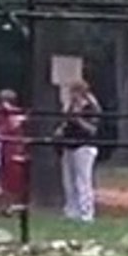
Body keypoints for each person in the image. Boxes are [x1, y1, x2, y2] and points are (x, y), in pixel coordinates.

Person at [54, 80, 102, 222]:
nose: (72, 95)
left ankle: (86, 213)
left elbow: (92, 129)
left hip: (84, 146)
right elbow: (65, 123)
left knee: (83, 180)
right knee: (69, 181)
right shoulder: (70, 106)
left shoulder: (91, 107)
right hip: (69, 145)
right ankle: (71, 211)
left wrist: (78, 119)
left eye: (74, 92)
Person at [0, 89, 28, 215]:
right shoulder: (2, 114)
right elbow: (0, 127)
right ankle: (7, 205)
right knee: (6, 177)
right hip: (7, 149)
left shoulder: (16, 113)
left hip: (16, 148)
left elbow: (16, 126)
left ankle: (15, 204)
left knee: (16, 177)